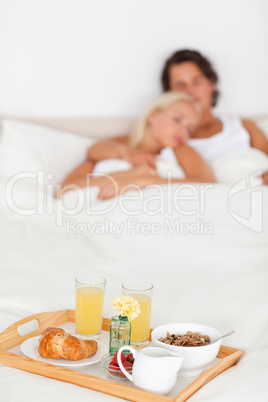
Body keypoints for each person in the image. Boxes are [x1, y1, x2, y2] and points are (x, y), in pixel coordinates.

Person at [57, 92, 215, 199]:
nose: (183, 131)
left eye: (190, 129)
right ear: (153, 116)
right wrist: (124, 177)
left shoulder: (181, 152)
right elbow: (64, 192)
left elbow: (210, 186)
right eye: (177, 119)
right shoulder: (110, 151)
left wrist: (143, 181)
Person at [161, 49, 268, 184]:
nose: (190, 90)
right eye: (181, 85)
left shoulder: (244, 127)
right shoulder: (171, 137)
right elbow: (135, 140)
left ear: (211, 84)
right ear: (169, 93)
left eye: (197, 81)